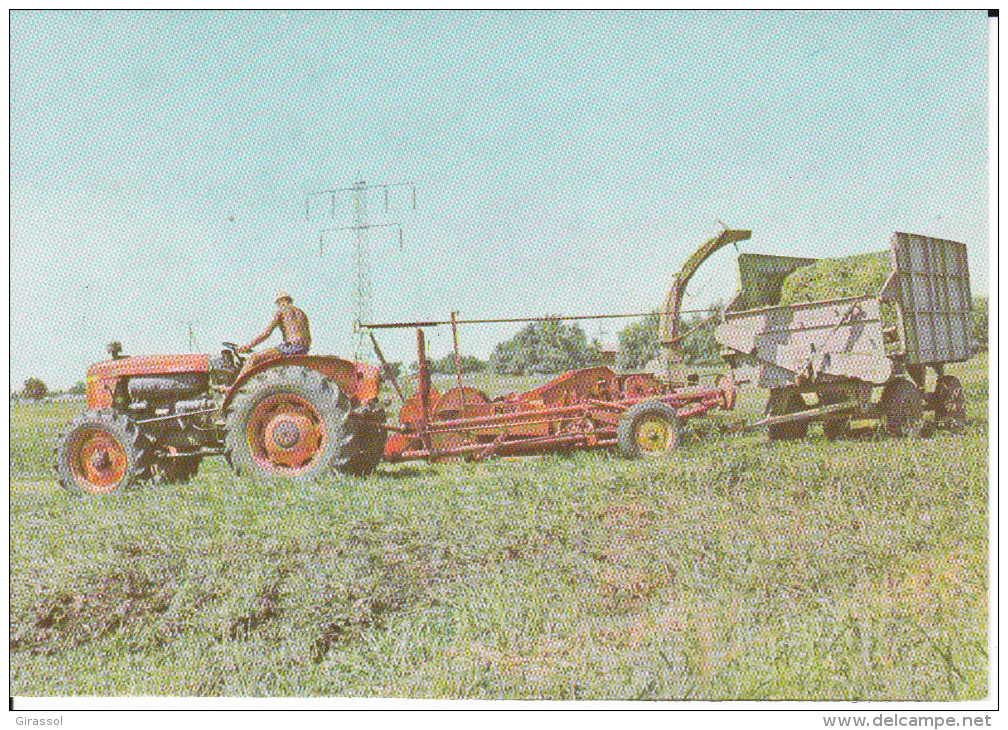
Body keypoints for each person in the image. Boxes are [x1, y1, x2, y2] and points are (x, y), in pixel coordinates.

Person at [238, 290, 312, 372]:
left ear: (279, 301)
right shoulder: (302, 313)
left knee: (253, 359)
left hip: (292, 347)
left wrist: (247, 346)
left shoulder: (281, 310)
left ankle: (237, 384)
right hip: (304, 348)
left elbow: (266, 333)